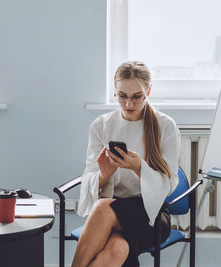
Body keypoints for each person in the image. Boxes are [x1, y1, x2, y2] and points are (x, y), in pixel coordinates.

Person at [72, 61, 180, 267]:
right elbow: (89, 176)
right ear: (115, 92)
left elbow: (170, 183)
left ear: (148, 90)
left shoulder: (165, 125)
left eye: (137, 96)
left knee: (103, 207)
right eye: (122, 96)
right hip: (108, 214)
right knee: (116, 251)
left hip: (151, 215)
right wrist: (104, 174)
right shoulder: (101, 125)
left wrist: (138, 167)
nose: (129, 104)